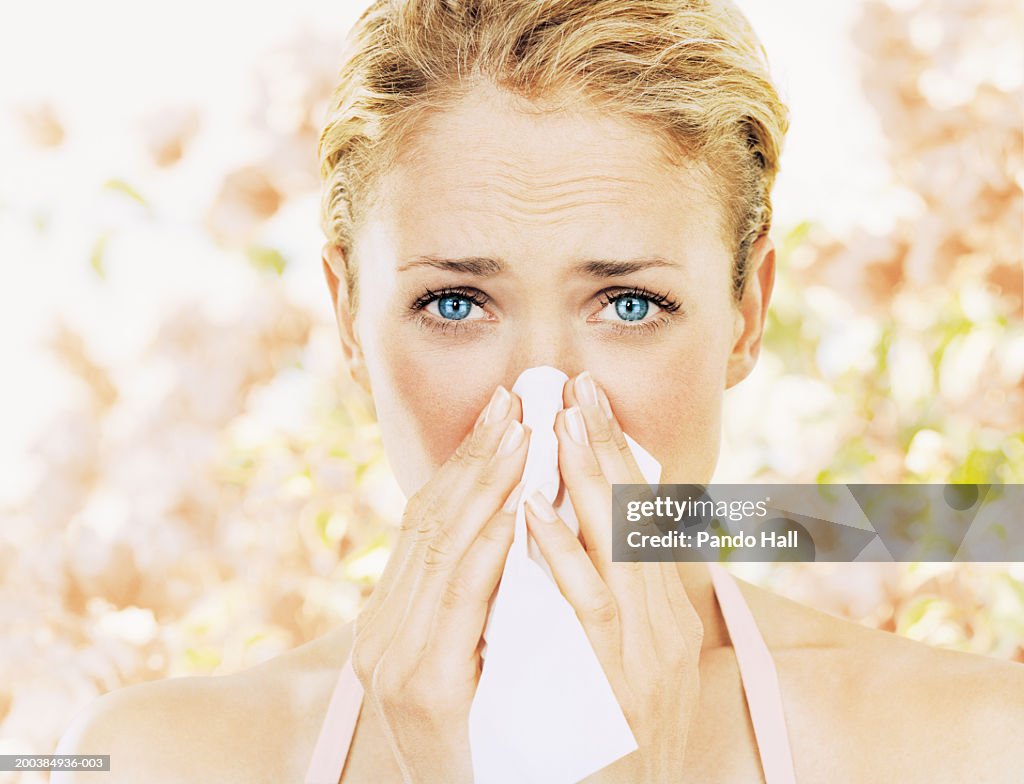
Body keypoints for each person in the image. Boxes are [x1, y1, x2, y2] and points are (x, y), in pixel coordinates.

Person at [56, 0, 1023, 781]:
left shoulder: (972, 747)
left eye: (631, 305)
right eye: (455, 302)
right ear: (350, 315)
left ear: (747, 311)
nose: (541, 395)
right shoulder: (157, 759)